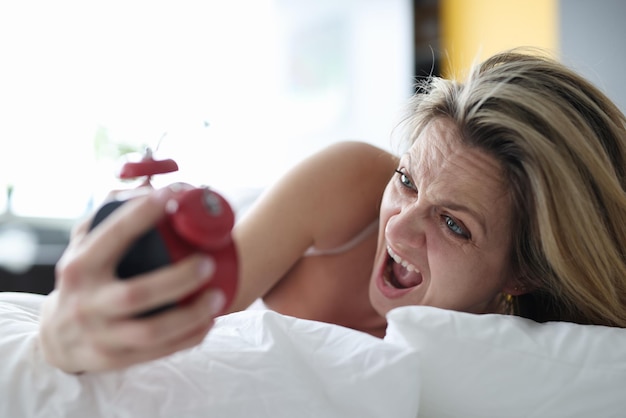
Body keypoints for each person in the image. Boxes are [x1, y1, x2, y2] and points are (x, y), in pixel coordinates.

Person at [39, 48, 626, 374]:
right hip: (244, 226)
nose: (397, 224)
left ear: (524, 272)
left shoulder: (531, 353)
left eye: (454, 224)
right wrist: (68, 341)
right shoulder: (350, 187)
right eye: (407, 180)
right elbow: (176, 306)